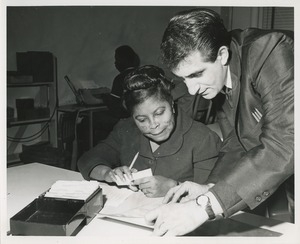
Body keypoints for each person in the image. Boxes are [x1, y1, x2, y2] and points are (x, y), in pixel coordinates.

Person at [145, 8, 294, 235]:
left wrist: (203, 207)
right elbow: (236, 140)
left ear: (222, 55)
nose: (192, 90)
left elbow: (285, 143)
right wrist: (210, 188)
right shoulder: (222, 74)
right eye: (184, 78)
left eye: (196, 74)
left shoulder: (269, 50)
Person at [77, 65, 221, 198]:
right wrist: (108, 173)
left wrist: (174, 186)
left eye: (159, 113)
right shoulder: (126, 130)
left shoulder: (202, 138)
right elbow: (87, 160)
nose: (153, 125)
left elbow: (212, 195)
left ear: (172, 105)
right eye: (142, 120)